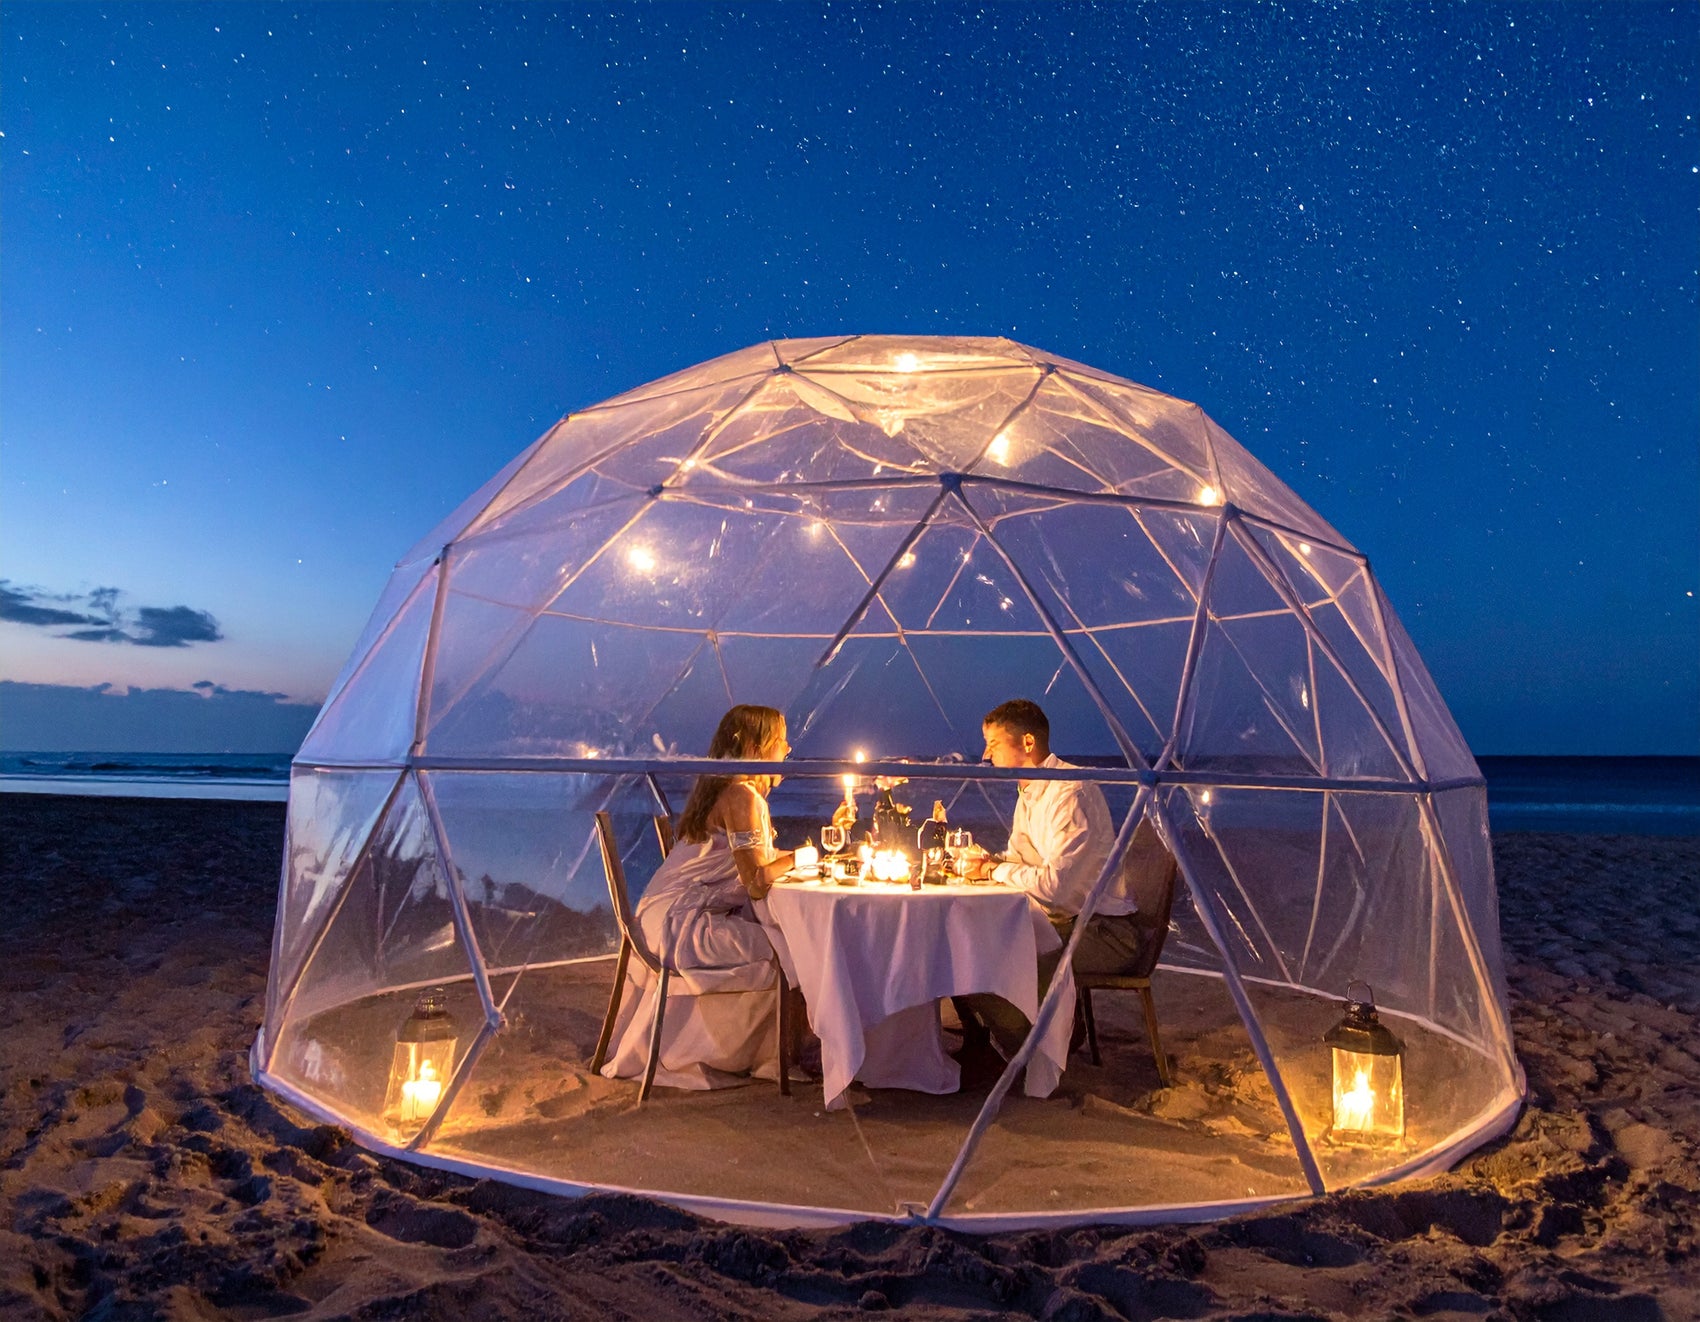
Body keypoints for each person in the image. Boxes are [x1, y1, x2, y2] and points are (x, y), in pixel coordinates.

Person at [956, 698, 1173, 1058]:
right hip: (1063, 923)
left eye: (993, 744)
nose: (986, 755)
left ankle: (1032, 1052)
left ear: (1027, 742)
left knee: (991, 966)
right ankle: (1001, 1042)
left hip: (1104, 933)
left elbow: (1054, 889)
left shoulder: (1070, 793)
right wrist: (990, 861)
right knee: (965, 949)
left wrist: (993, 870)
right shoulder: (1031, 792)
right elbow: (1021, 859)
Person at [600, 704, 802, 1089]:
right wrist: (805, 857)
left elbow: (752, 860)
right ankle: (777, 1057)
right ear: (757, 747)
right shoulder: (742, 796)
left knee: (785, 940)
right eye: (781, 741)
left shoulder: (726, 790)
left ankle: (769, 1052)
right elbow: (756, 881)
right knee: (795, 946)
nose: (787, 749)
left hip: (660, 917)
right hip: (682, 928)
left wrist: (789, 856)